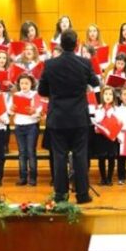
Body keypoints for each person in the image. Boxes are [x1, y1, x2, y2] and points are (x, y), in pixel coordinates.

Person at [38, 29, 99, 204]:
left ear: (60, 44)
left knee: (59, 157)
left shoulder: (50, 64)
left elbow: (42, 90)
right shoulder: (85, 63)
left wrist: (56, 93)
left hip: (57, 118)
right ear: (77, 44)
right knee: (80, 156)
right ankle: (82, 195)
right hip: (79, 117)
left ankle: (61, 195)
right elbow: (95, 82)